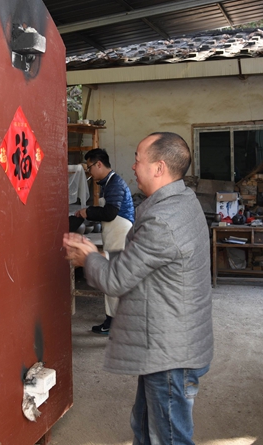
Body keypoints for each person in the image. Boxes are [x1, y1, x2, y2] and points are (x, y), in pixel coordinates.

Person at [63, 132, 213, 445]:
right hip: (170, 340)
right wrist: (100, 256)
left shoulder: (163, 220)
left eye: (138, 159)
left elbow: (116, 280)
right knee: (144, 424)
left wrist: (89, 258)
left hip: (171, 351)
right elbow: (142, 263)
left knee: (168, 436)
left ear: (159, 168)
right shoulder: (183, 201)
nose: (133, 166)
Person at [68, 148, 134, 334]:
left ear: (98, 164)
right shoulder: (109, 183)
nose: (89, 172)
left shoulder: (115, 183)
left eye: (89, 167)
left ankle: (114, 323)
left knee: (113, 276)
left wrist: (87, 212)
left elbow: (110, 213)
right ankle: (114, 320)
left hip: (120, 231)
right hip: (115, 231)